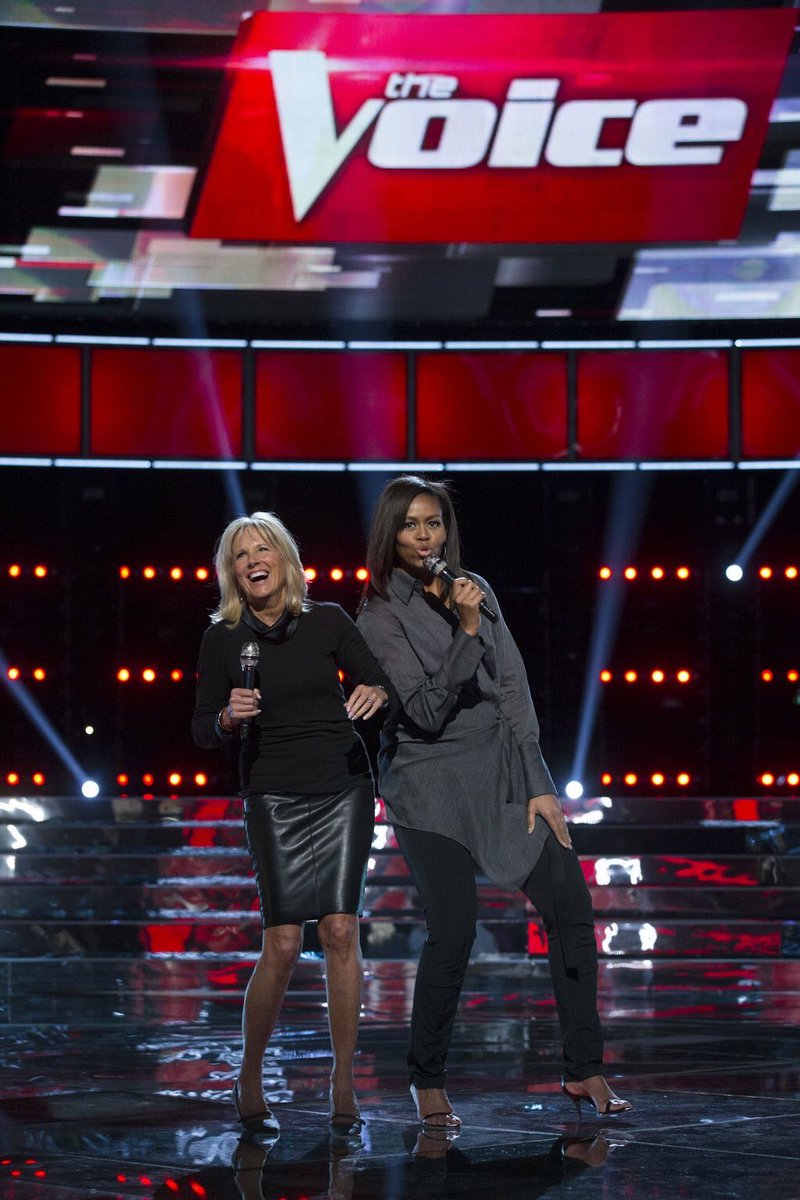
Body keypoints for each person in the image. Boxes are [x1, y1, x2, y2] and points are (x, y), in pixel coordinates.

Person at [356, 476, 632, 1129]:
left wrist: (540, 783)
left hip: (500, 769)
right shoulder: (377, 615)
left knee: (569, 899)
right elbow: (421, 711)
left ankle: (583, 1066)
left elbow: (513, 689)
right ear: (390, 536)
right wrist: (467, 629)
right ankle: (426, 1077)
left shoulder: (472, 586)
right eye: (412, 526)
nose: (427, 537)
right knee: (454, 927)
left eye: (435, 523)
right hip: (428, 781)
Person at [192, 512, 393, 1137]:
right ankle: (249, 1073)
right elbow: (202, 730)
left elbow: (380, 681)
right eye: (239, 554)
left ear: (283, 558)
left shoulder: (328, 620)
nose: (253, 560)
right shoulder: (223, 638)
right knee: (281, 941)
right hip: (272, 792)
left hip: (342, 786)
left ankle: (342, 1079)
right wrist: (228, 716)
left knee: (338, 929)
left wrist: (375, 695)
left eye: (262, 549)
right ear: (232, 572)